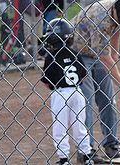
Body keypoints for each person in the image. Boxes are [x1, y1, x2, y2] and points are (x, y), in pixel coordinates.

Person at [71, 0, 120, 163]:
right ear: (113, 8)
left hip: (98, 53)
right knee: (87, 101)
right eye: (119, 16)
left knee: (107, 99)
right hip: (78, 53)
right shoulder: (99, 18)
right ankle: (86, 149)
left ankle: (111, 143)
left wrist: (115, 53)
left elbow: (117, 28)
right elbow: (105, 58)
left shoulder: (118, 11)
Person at [41, 18, 93, 165]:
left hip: (61, 93)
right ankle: (87, 156)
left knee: (60, 126)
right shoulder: (75, 53)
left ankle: (64, 159)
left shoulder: (51, 57)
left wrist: (56, 88)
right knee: (80, 125)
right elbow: (83, 77)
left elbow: (46, 82)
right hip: (77, 93)